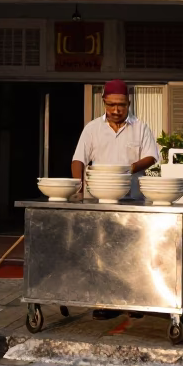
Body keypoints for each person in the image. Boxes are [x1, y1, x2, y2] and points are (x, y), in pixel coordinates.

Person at [71, 78, 160, 320]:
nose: (116, 110)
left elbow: (151, 157)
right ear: (103, 102)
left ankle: (136, 302)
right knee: (104, 253)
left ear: (129, 103)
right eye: (111, 105)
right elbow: (78, 159)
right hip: (101, 202)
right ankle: (107, 302)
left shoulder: (140, 127)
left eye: (121, 105)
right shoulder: (92, 128)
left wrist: (126, 170)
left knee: (134, 253)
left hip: (133, 201)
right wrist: (78, 186)